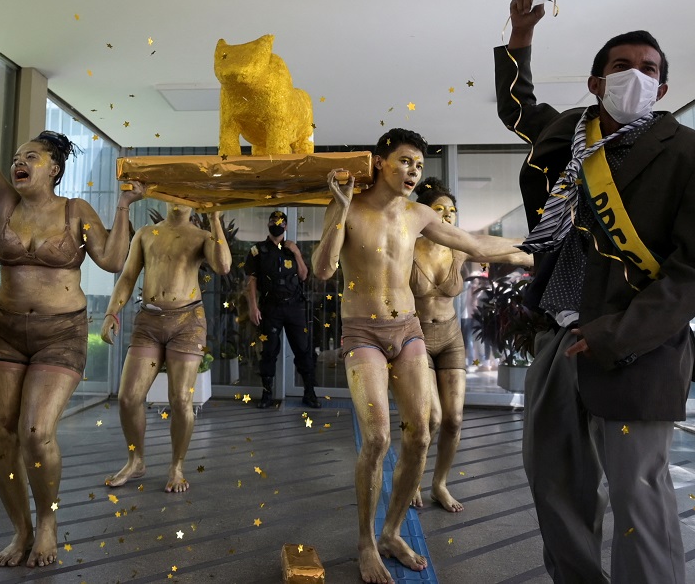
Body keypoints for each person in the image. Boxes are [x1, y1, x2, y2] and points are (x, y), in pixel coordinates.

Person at [496, 0, 695, 583]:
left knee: (640, 497)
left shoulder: (685, 152)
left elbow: (691, 271)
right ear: (595, 81)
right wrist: (520, 35)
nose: (635, 76)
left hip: (639, 345)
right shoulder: (566, 133)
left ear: (662, 91)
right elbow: (516, 108)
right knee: (554, 486)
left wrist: (619, 335)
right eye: (621, 66)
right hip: (558, 334)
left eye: (649, 70)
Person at [0, 40, 144, 568]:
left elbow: (116, 262)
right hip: (5, 330)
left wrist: (121, 209)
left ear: (54, 170)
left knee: (34, 432)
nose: (19, 161)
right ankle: (20, 530)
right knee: (1, 438)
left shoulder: (76, 211)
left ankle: (47, 519)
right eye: (18, 156)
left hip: (60, 333)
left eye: (32, 157)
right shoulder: (3, 203)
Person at [312, 128, 522, 584]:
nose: (412, 171)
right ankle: (366, 542)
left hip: (407, 329)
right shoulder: (350, 205)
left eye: (419, 166)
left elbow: (475, 244)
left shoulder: (418, 214)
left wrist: (531, 256)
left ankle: (390, 532)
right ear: (382, 162)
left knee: (420, 436)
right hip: (363, 332)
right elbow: (323, 269)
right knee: (377, 439)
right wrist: (340, 209)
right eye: (405, 161)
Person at [409, 177, 531, 513]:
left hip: (450, 338)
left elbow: (500, 247)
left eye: (452, 211)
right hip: (415, 338)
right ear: (423, 213)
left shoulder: (459, 248)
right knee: (430, 419)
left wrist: (541, 253)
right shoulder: (406, 245)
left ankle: (440, 484)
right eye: (439, 210)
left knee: (454, 420)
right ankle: (413, 481)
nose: (448, 216)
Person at [101, 205, 231, 492]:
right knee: (128, 397)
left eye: (183, 195)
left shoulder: (201, 235)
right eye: (171, 193)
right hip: (149, 320)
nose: (177, 199)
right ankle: (136, 461)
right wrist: (112, 312)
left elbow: (223, 267)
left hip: (188, 321)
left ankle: (177, 466)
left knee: (181, 401)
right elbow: (127, 277)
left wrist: (215, 219)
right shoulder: (147, 234)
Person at [244, 210, 321, 409]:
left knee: (303, 350)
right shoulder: (257, 250)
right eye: (272, 221)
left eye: (279, 222)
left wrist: (296, 252)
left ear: (285, 226)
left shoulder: (292, 248)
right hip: (271, 308)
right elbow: (251, 281)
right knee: (269, 351)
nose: (276, 224)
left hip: (294, 307)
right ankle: (267, 394)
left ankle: (309, 393)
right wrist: (253, 307)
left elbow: (304, 275)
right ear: (268, 224)